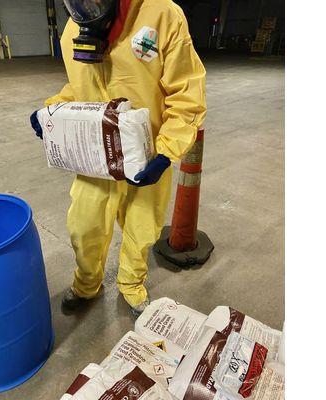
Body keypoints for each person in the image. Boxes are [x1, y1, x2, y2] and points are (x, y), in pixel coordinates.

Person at [30, 0, 207, 316]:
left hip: (148, 156)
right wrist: (52, 111)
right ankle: (87, 284)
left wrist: (165, 152)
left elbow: (186, 95)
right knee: (84, 226)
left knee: (141, 228)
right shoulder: (73, 29)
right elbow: (81, 87)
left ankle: (131, 285)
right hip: (96, 156)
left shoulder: (161, 14)